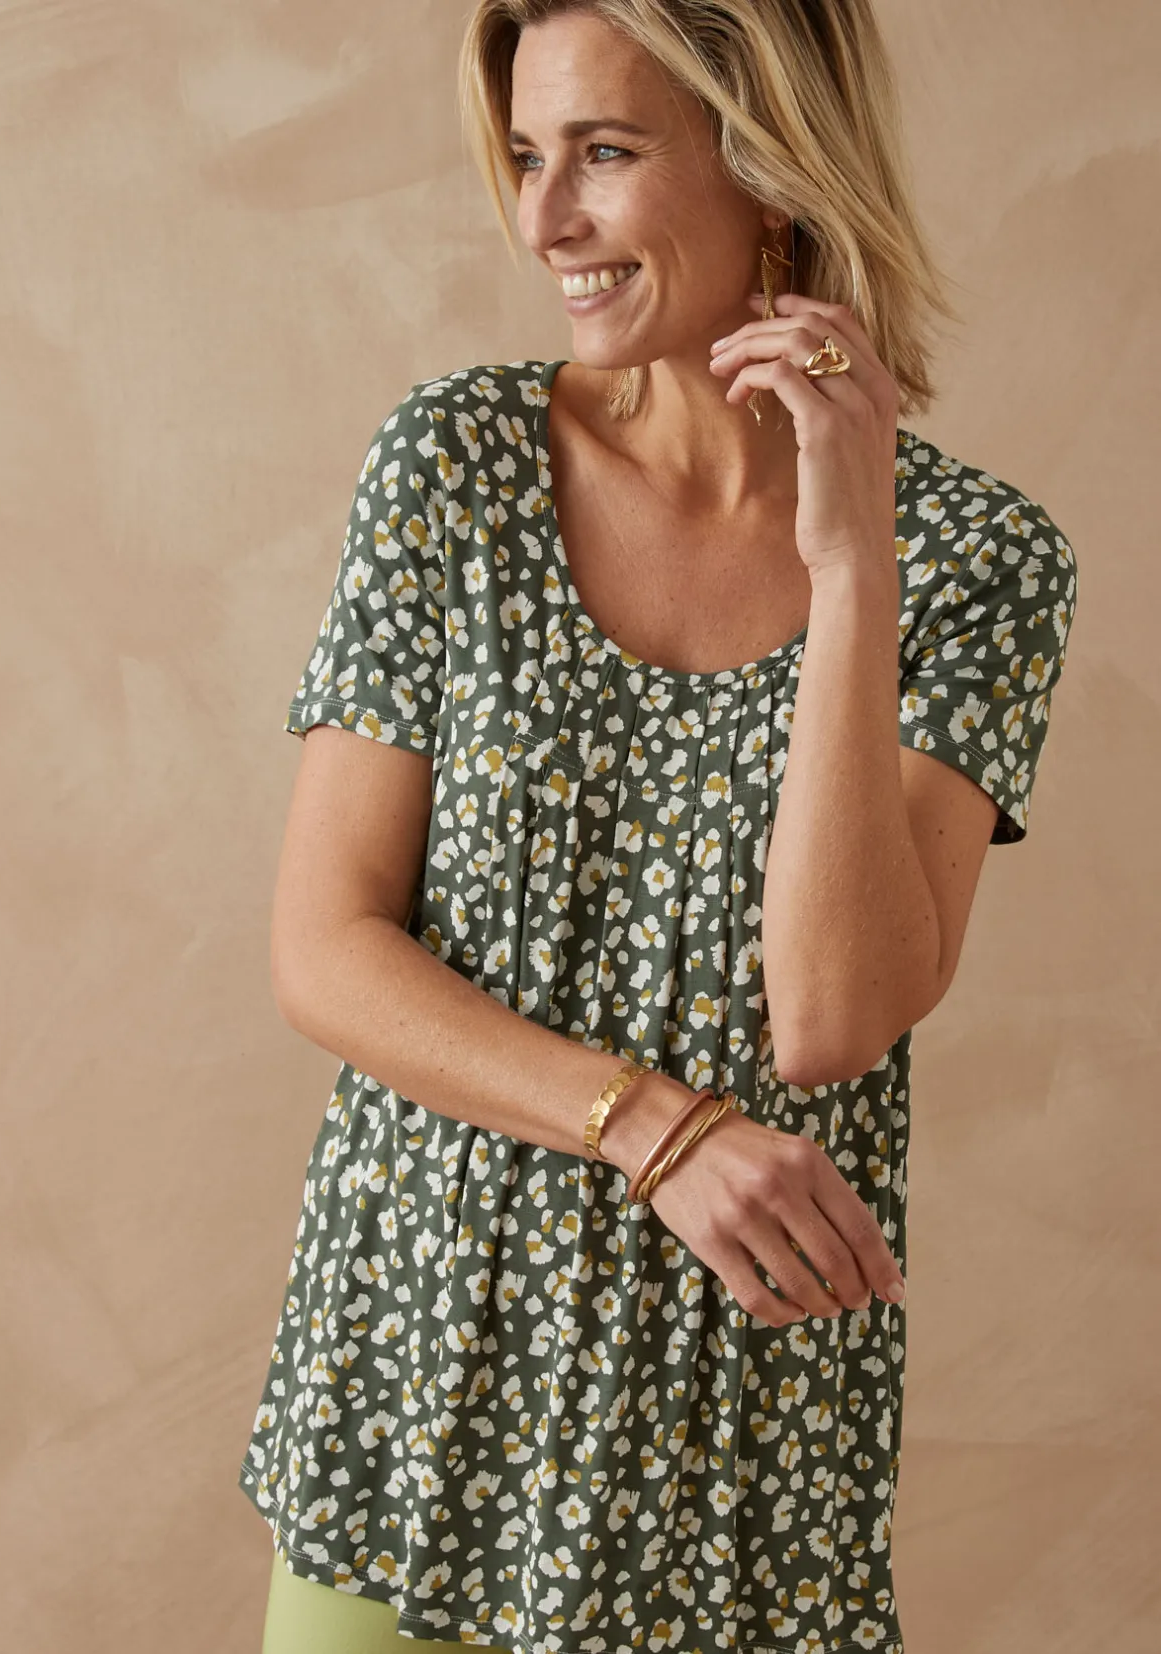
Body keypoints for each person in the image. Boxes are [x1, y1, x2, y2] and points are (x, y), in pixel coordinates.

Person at [240, 3, 1078, 1651]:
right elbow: (324, 947)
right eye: (528, 158)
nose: (545, 219)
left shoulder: (977, 564)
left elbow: (832, 1019)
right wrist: (654, 1127)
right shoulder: (456, 470)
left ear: (770, 167)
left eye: (605, 154)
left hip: (735, 1443)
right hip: (418, 1382)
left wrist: (852, 567)